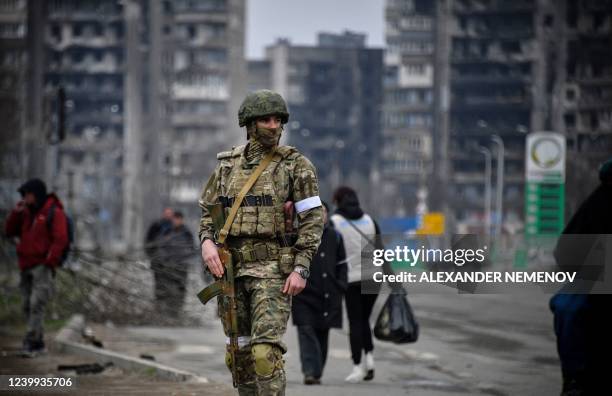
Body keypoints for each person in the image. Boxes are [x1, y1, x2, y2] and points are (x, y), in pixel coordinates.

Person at [199, 89, 324, 395]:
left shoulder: (296, 165)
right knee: (238, 354)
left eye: (278, 120)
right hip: (232, 272)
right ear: (250, 124)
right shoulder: (227, 166)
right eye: (266, 119)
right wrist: (206, 242)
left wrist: (301, 268)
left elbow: (313, 219)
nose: (273, 125)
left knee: (264, 355)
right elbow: (208, 213)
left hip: (272, 271)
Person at [550, 158, 612, 395]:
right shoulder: (600, 202)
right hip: (597, 283)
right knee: (568, 306)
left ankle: (575, 379)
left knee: (568, 307)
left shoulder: (599, 199)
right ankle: (575, 380)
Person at [4, 178, 69, 354]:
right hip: (26, 264)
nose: (25, 198)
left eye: (28, 194)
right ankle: (37, 341)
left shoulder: (54, 212)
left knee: (36, 303)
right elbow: (9, 231)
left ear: (37, 195)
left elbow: (60, 238)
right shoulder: (24, 213)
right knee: (26, 304)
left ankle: (31, 339)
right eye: (23, 195)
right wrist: (15, 213)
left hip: (43, 266)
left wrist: (50, 260)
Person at [330, 186, 384, 383]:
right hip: (373, 278)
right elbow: (381, 251)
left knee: (355, 322)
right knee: (365, 321)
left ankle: (357, 366)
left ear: (337, 201)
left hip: (351, 279)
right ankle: (370, 360)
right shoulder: (370, 220)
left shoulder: (335, 222)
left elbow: (331, 252)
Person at [292, 201, 348, 385]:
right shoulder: (298, 234)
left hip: (328, 295)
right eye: (316, 212)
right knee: (306, 330)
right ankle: (310, 371)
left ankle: (316, 371)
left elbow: (342, 264)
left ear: (327, 215)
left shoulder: (335, 237)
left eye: (323, 212)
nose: (320, 215)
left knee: (322, 333)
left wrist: (341, 285)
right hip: (304, 294)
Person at [159, 211, 196, 317]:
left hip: (182, 266)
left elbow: (192, 248)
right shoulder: (167, 231)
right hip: (169, 265)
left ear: (182, 220)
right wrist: (164, 260)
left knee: (181, 287)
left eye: (178, 219)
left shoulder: (186, 232)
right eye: (175, 219)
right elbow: (161, 247)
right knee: (168, 287)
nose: (176, 221)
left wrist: (185, 259)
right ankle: (168, 310)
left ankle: (178, 310)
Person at [144, 208, 174, 311]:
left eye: (170, 214)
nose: (168, 215)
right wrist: (152, 255)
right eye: (167, 213)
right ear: (163, 214)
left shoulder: (176, 227)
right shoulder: (156, 226)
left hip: (172, 263)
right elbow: (148, 242)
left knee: (171, 285)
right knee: (159, 285)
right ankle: (159, 307)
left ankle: (170, 308)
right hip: (158, 262)